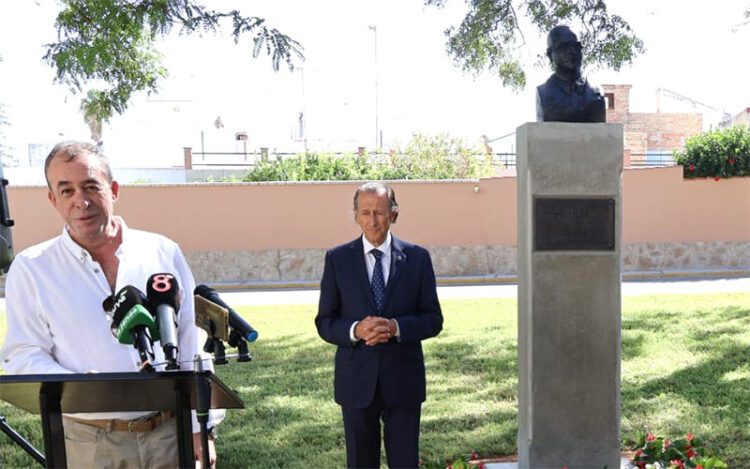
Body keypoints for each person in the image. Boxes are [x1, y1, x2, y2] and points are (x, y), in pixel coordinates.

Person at [0, 141, 222, 468]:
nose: (81, 201)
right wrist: (79, 388)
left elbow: (191, 336)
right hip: (90, 441)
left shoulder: (161, 251)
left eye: (91, 186)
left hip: (169, 432)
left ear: (113, 189)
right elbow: (22, 353)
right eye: (67, 190)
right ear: (53, 199)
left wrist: (202, 428)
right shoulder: (32, 268)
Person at [315, 181, 443, 469]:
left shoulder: (417, 258)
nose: (372, 220)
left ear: (394, 214)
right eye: (365, 212)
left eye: (380, 212)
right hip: (356, 382)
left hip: (403, 380)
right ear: (356, 215)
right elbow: (325, 322)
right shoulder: (337, 259)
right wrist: (355, 330)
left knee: (405, 462)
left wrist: (396, 328)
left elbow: (433, 319)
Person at [536, 25, 606, 123]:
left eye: (576, 46)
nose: (572, 51)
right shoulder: (544, 93)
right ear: (550, 54)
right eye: (564, 47)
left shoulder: (596, 93)